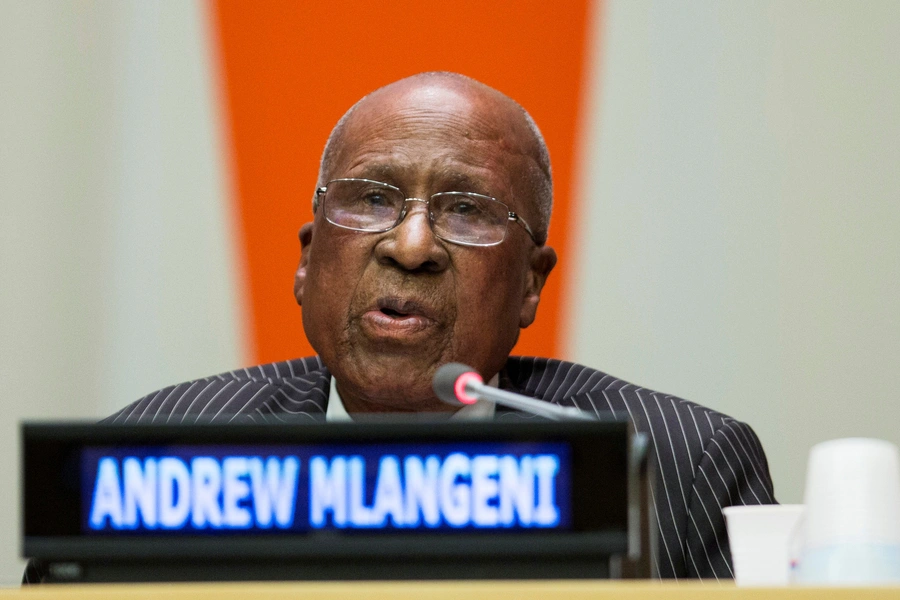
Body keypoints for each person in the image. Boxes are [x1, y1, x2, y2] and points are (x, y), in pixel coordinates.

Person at [30, 72, 774, 581]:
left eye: (467, 211)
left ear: (529, 287)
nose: (411, 246)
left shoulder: (675, 465)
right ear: (307, 261)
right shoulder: (147, 462)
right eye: (371, 199)